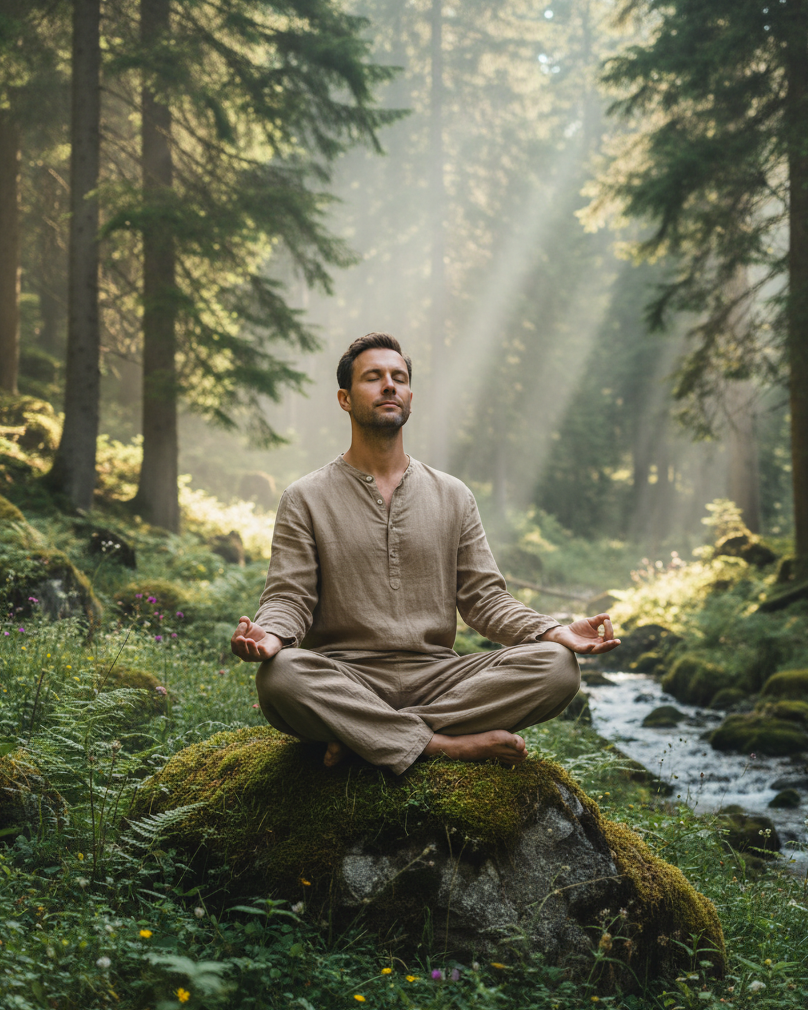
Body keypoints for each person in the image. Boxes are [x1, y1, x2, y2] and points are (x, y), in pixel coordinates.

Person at [231, 332, 620, 774]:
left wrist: (554, 631)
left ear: (410, 396)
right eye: (373, 378)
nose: (389, 386)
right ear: (344, 398)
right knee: (280, 677)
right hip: (346, 678)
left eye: (399, 377)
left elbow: (485, 600)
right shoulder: (305, 497)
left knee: (558, 669)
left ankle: (370, 739)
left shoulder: (453, 494)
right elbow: (289, 598)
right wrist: (272, 636)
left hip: (441, 680)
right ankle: (444, 746)